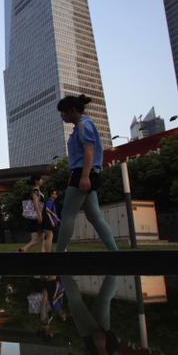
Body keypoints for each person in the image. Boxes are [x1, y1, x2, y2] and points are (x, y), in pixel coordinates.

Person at [54, 95, 118, 252]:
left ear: (73, 111)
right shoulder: (83, 125)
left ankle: (59, 253)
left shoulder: (83, 125)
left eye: (63, 113)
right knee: (94, 215)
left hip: (83, 172)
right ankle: (114, 251)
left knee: (68, 213)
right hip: (90, 172)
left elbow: (88, 152)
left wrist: (83, 176)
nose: (62, 116)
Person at [19, 176, 44, 253]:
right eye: (41, 179)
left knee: (40, 237)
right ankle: (25, 249)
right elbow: (36, 203)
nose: (42, 181)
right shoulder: (35, 191)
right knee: (41, 236)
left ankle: (25, 249)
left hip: (34, 217)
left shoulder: (37, 190)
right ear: (37, 181)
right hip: (35, 217)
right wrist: (39, 215)